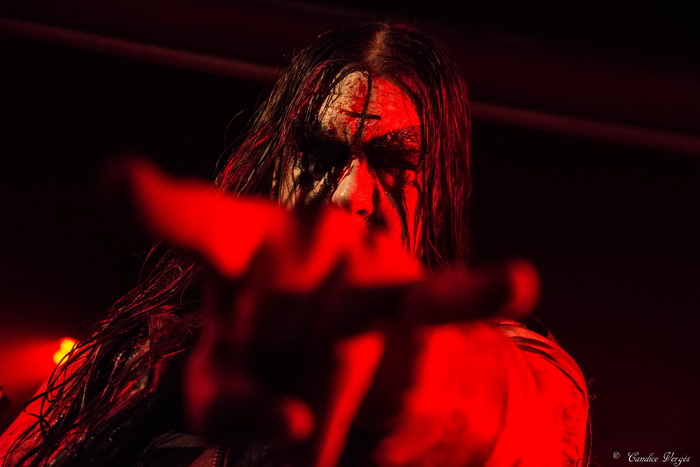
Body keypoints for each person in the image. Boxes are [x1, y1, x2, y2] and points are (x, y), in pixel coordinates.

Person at [0, 21, 590, 466]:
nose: (348, 195)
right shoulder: (131, 352)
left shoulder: (528, 365)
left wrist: (409, 374)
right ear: (276, 165)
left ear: (441, 189)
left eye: (394, 162)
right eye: (321, 154)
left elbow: (528, 420)